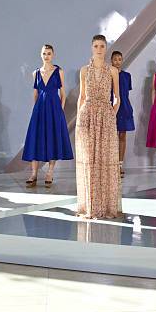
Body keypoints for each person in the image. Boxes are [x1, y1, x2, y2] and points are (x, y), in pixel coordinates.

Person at [76, 35, 121, 219]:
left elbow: (117, 97)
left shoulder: (112, 71)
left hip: (106, 116)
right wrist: (79, 118)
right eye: (96, 45)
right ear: (91, 47)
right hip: (87, 116)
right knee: (89, 161)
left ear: (106, 47)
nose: (99, 49)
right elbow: (81, 96)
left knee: (104, 161)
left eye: (102, 46)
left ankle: (105, 206)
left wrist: (112, 113)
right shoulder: (84, 70)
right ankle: (90, 206)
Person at [22, 44, 73, 187]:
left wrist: (60, 110)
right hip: (39, 110)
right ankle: (33, 174)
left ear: (53, 55)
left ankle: (50, 172)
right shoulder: (36, 73)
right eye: (44, 53)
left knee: (53, 139)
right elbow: (35, 94)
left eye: (49, 53)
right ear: (41, 55)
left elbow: (63, 94)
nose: (46, 56)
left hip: (54, 110)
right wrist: (36, 110)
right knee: (35, 139)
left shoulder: (59, 71)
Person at [110, 51, 135, 177]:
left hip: (125, 107)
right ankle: (112, 164)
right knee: (111, 137)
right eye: (115, 59)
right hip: (112, 107)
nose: (118, 62)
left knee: (122, 136)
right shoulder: (108, 75)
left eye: (120, 59)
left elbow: (126, 94)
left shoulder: (127, 76)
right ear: (111, 61)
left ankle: (120, 164)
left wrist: (128, 108)